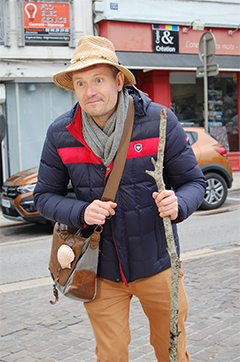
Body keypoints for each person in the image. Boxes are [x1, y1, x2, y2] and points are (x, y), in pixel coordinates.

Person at [34, 35, 206, 362]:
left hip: (158, 266)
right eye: (81, 83)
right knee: (111, 355)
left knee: (172, 349)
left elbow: (193, 183)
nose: (89, 91)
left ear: (118, 80)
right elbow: (44, 196)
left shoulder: (158, 121)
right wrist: (82, 211)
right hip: (100, 272)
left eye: (98, 80)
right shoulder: (61, 133)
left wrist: (179, 203)